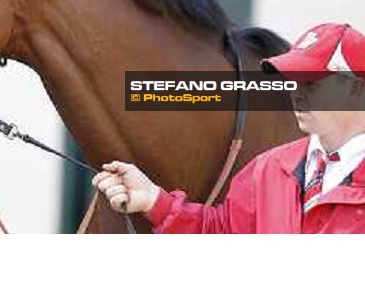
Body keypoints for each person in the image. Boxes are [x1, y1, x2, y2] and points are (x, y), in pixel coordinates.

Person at [93, 23, 365, 233]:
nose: (296, 94)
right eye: (293, 81)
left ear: (356, 88)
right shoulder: (269, 168)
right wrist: (153, 200)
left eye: (311, 84)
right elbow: (223, 231)